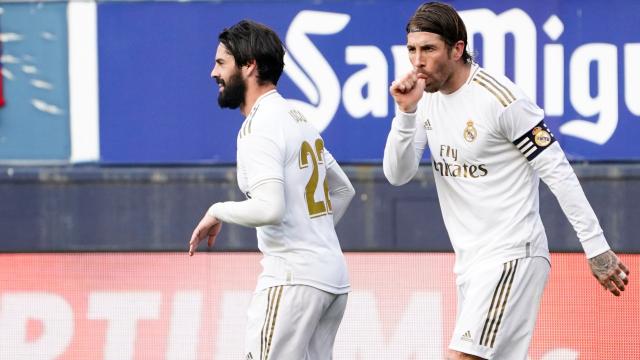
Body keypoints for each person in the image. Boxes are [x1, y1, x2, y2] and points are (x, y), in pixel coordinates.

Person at [382, 2, 630, 359]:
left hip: (513, 253)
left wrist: (596, 248)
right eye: (412, 50)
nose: (417, 61)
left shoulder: (500, 99)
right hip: (470, 264)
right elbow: (398, 174)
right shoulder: (424, 99)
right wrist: (405, 113)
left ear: (457, 49)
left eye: (429, 49)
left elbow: (557, 171)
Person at [188, 20, 355, 360]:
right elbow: (344, 190)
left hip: (292, 281)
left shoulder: (259, 127)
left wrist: (217, 209)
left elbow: (269, 209)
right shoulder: (297, 118)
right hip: (331, 280)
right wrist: (310, 237)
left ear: (249, 65)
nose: (212, 73)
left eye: (221, 63)